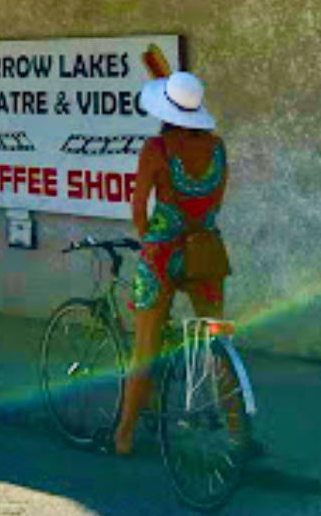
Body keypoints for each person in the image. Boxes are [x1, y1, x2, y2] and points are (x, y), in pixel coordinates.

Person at [113, 70, 228, 456]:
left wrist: (153, 236)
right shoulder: (218, 148)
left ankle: (124, 435)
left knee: (144, 347)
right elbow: (216, 202)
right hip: (206, 250)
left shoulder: (155, 150)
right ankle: (237, 429)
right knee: (217, 341)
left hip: (163, 254)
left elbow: (138, 211)